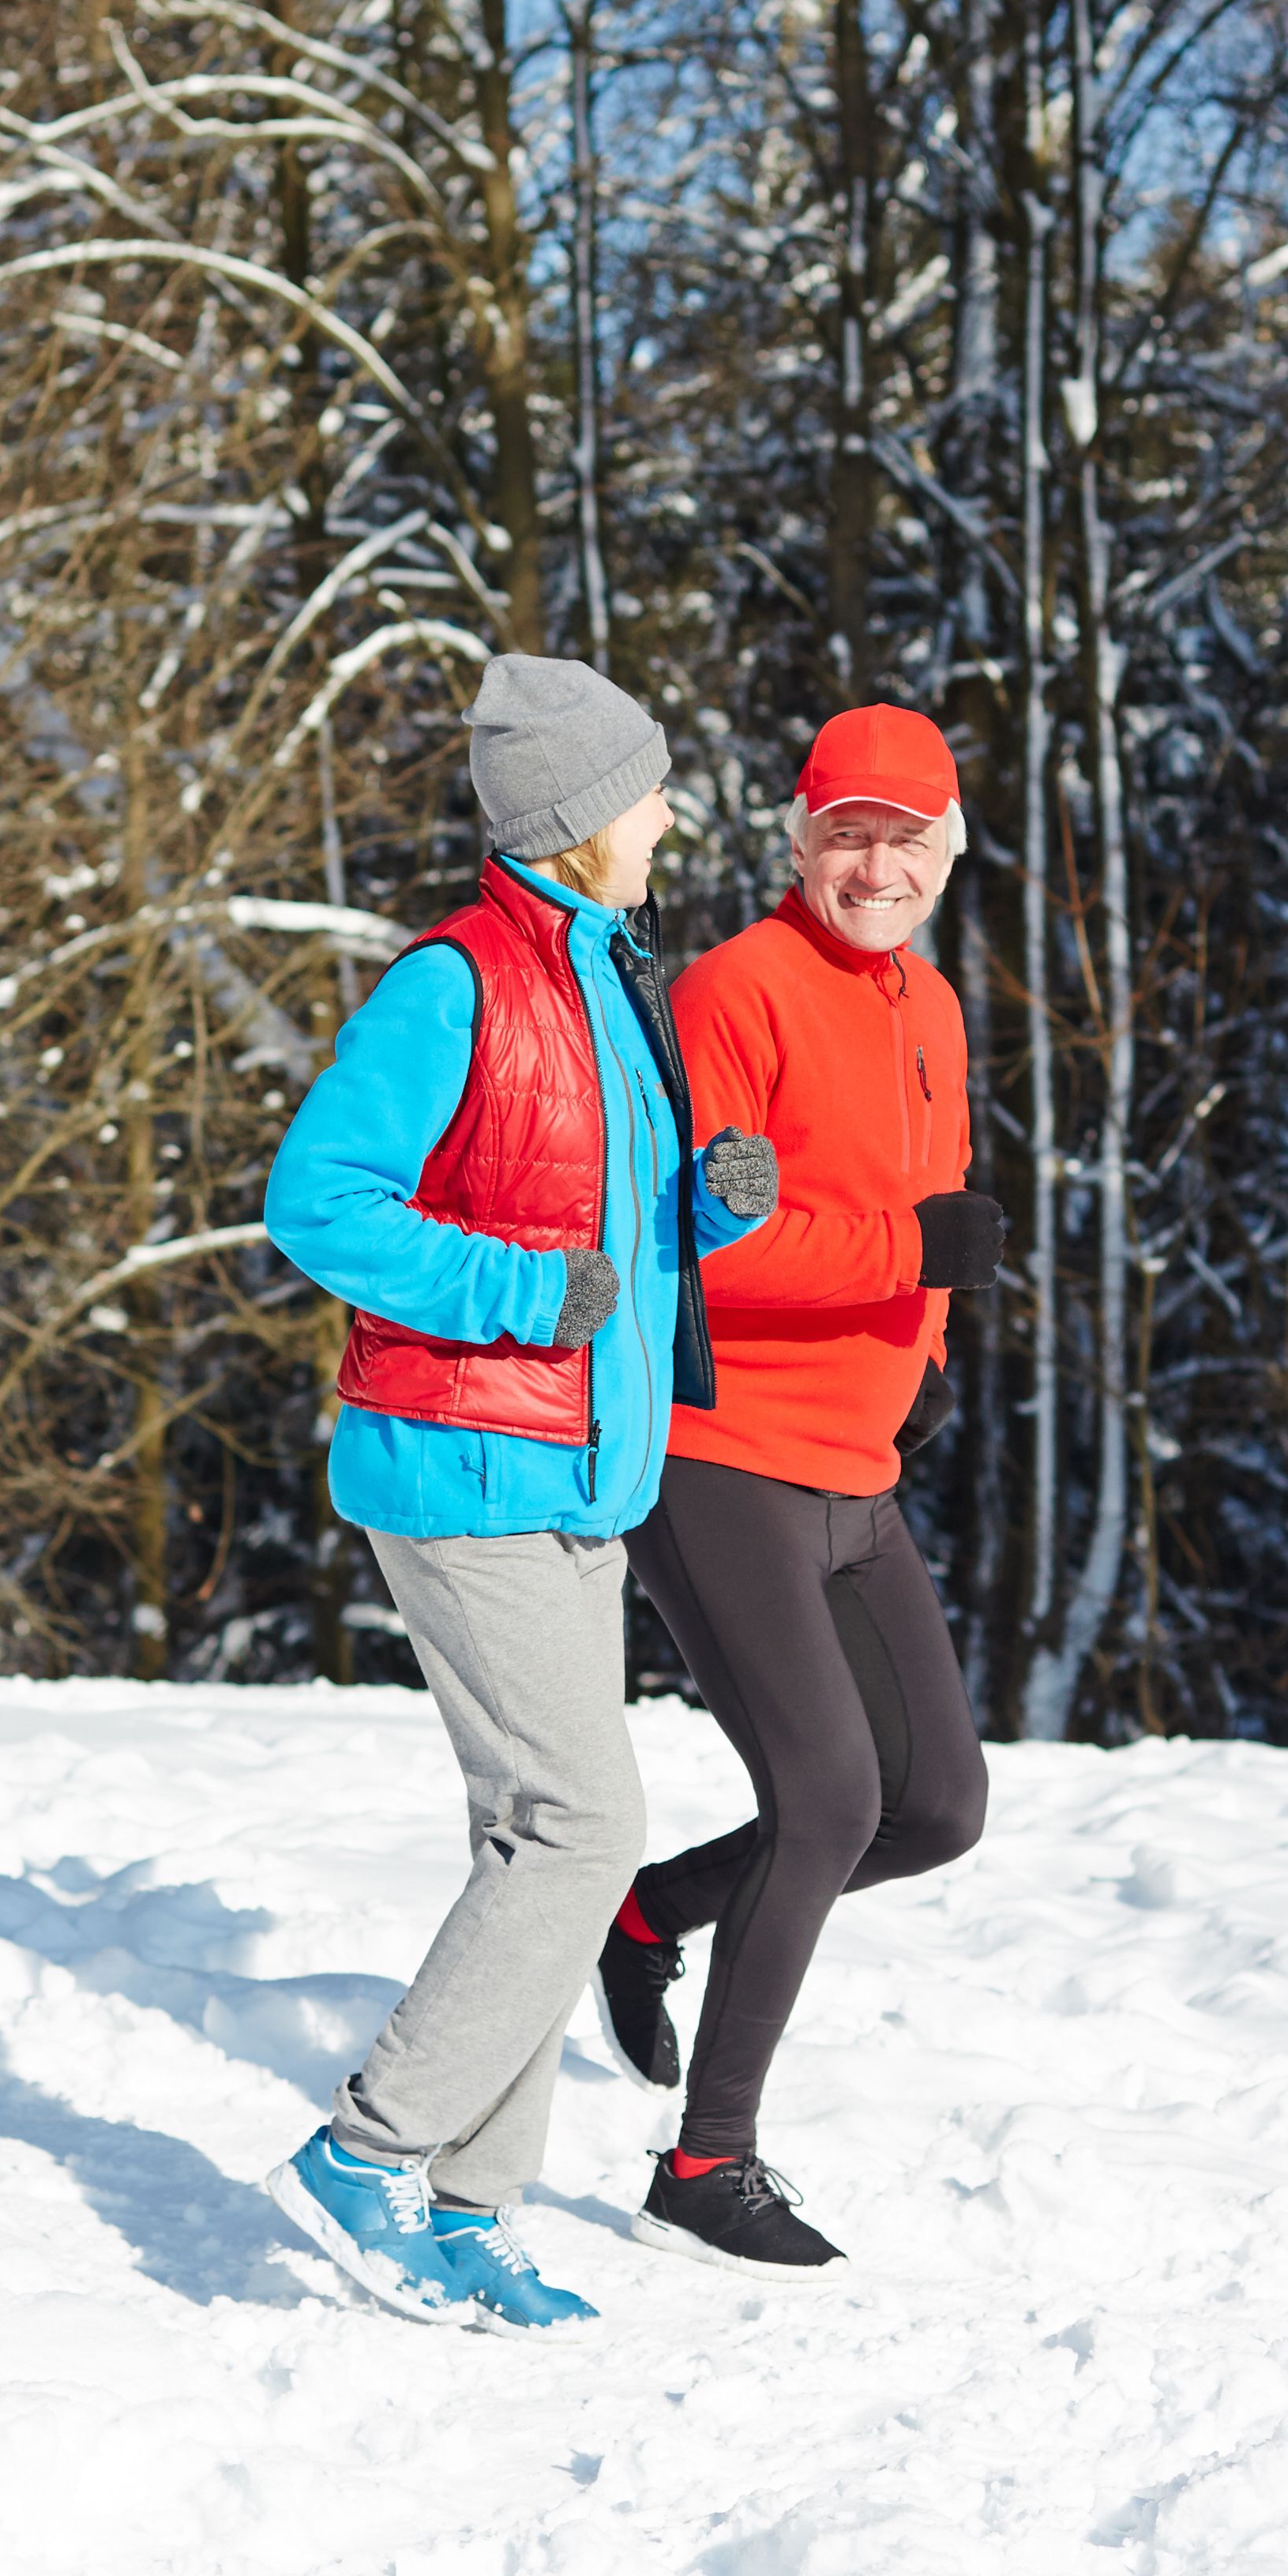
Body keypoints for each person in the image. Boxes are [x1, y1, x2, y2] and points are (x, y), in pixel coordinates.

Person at [255, 652, 779, 2336]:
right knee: (586, 1829)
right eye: (647, 791)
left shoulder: (608, 983)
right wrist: (504, 1291)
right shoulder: (457, 983)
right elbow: (319, 1198)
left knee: (527, 1832)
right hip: (464, 1463)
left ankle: (469, 2209)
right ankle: (370, 2152)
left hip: (575, 1473)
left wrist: (709, 1211)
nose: (671, 815)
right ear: (572, 823)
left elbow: (603, 1246)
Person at [596, 705, 1001, 2273]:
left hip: (860, 1466)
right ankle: (708, 2164)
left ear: (947, 856)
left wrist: (931, 1348)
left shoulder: (934, 1005)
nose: (877, 866)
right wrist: (914, 1264)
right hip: (726, 1459)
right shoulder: (735, 996)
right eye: (849, 834)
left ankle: (652, 1918)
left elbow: (937, 1192)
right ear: (797, 838)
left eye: (910, 840)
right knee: (827, 1797)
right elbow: (726, 1243)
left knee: (939, 1809)